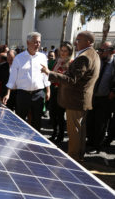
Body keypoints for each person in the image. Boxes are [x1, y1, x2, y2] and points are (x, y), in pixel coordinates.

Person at [41, 31, 100, 161]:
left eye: (79, 40)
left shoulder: (84, 57)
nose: (75, 42)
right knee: (80, 131)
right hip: (82, 100)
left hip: (75, 100)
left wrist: (49, 72)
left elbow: (71, 79)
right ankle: (79, 157)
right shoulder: (94, 55)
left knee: (74, 132)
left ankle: (73, 158)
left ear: (88, 42)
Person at [3, 32, 51, 132]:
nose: (38, 44)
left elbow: (45, 76)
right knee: (20, 120)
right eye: (35, 42)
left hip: (38, 94)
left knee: (37, 121)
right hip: (22, 95)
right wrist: (7, 94)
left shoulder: (42, 57)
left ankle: (36, 144)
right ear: (28, 43)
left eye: (39, 42)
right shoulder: (19, 58)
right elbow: (12, 78)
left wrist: (48, 91)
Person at [86, 42, 115, 153]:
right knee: (90, 121)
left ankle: (97, 146)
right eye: (99, 49)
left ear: (112, 52)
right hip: (93, 97)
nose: (99, 52)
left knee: (101, 124)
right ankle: (90, 141)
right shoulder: (98, 61)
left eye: (103, 50)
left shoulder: (113, 64)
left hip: (106, 99)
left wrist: (113, 91)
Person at [48, 41, 74, 143]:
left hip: (63, 91)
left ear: (70, 52)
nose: (63, 53)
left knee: (60, 115)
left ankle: (60, 135)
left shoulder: (71, 63)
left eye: (65, 51)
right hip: (53, 89)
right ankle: (54, 133)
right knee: (52, 114)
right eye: (61, 50)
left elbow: (67, 79)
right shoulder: (57, 61)